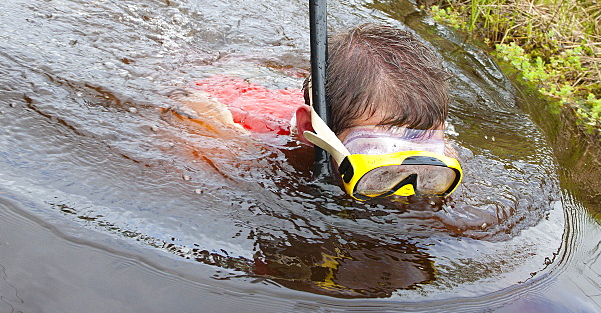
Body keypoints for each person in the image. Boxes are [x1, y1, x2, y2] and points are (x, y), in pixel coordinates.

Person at [169, 24, 462, 202]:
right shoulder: (261, 145)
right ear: (312, 129)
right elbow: (186, 105)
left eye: (425, 143)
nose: (402, 186)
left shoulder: (434, 159)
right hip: (227, 89)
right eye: (374, 149)